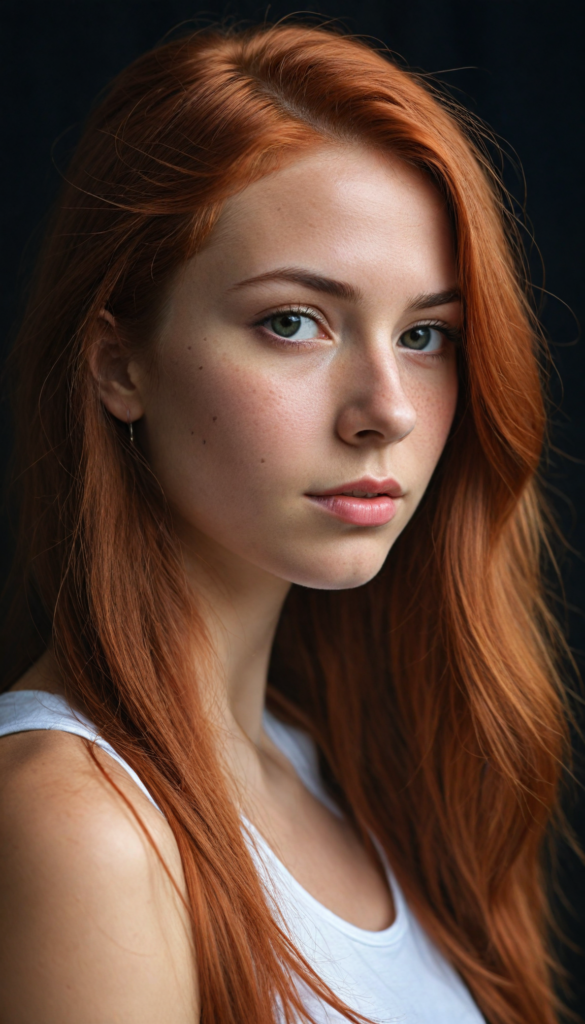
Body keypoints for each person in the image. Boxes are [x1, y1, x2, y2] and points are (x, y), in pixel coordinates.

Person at [0, 22, 571, 1024]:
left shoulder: (337, 772)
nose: (386, 408)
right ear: (120, 364)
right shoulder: (79, 825)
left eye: (427, 334)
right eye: (293, 321)